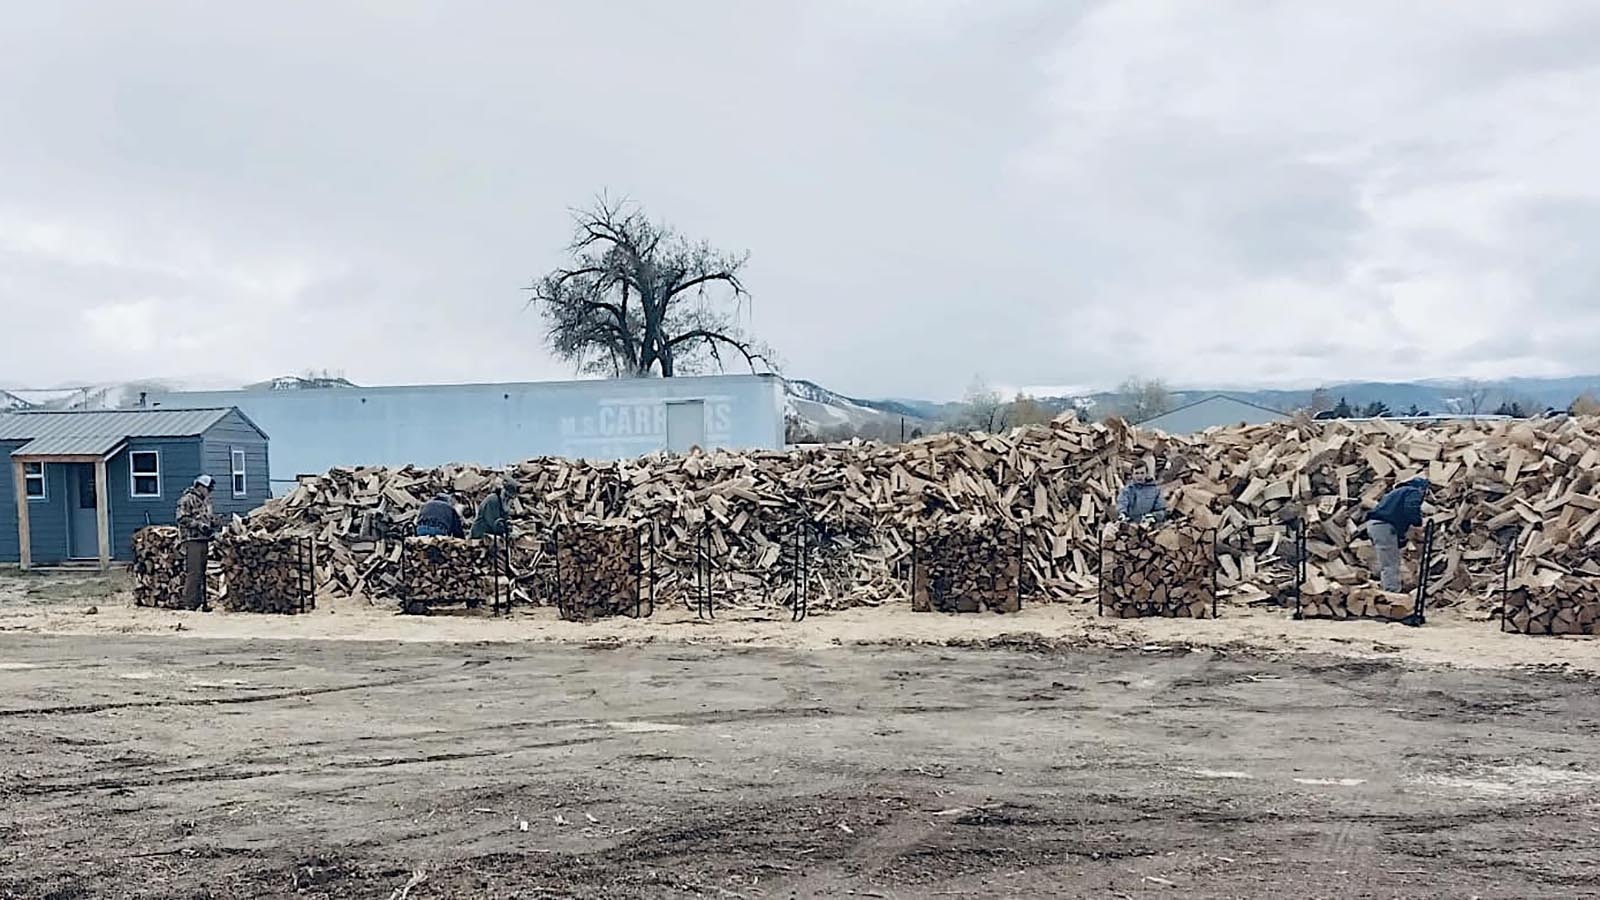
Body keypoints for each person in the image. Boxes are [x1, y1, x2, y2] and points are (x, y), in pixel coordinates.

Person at [1366, 476, 1430, 592]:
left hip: (1377, 526)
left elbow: (1397, 516)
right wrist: (1418, 523)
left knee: (1388, 560)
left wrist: (1401, 539)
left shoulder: (1396, 493)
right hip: (1384, 526)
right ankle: (1392, 593)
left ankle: (1387, 588)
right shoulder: (1413, 491)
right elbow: (1411, 508)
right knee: (1390, 563)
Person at [175, 474, 221, 611]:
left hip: (203, 539)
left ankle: (201, 602)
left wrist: (214, 522)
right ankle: (189, 603)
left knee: (202, 572)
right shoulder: (187, 499)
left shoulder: (205, 502)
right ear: (200, 486)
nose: (209, 491)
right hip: (191, 539)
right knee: (193, 572)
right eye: (207, 488)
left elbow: (208, 518)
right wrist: (198, 525)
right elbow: (181, 518)